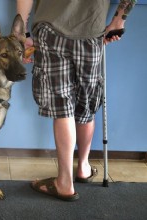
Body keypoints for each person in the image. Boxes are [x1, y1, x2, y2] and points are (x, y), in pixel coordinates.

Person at [17, 0, 136, 201]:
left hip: (51, 29)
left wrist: (23, 33)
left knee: (62, 105)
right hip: (91, 30)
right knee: (86, 104)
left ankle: (64, 182)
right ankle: (83, 167)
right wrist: (119, 19)